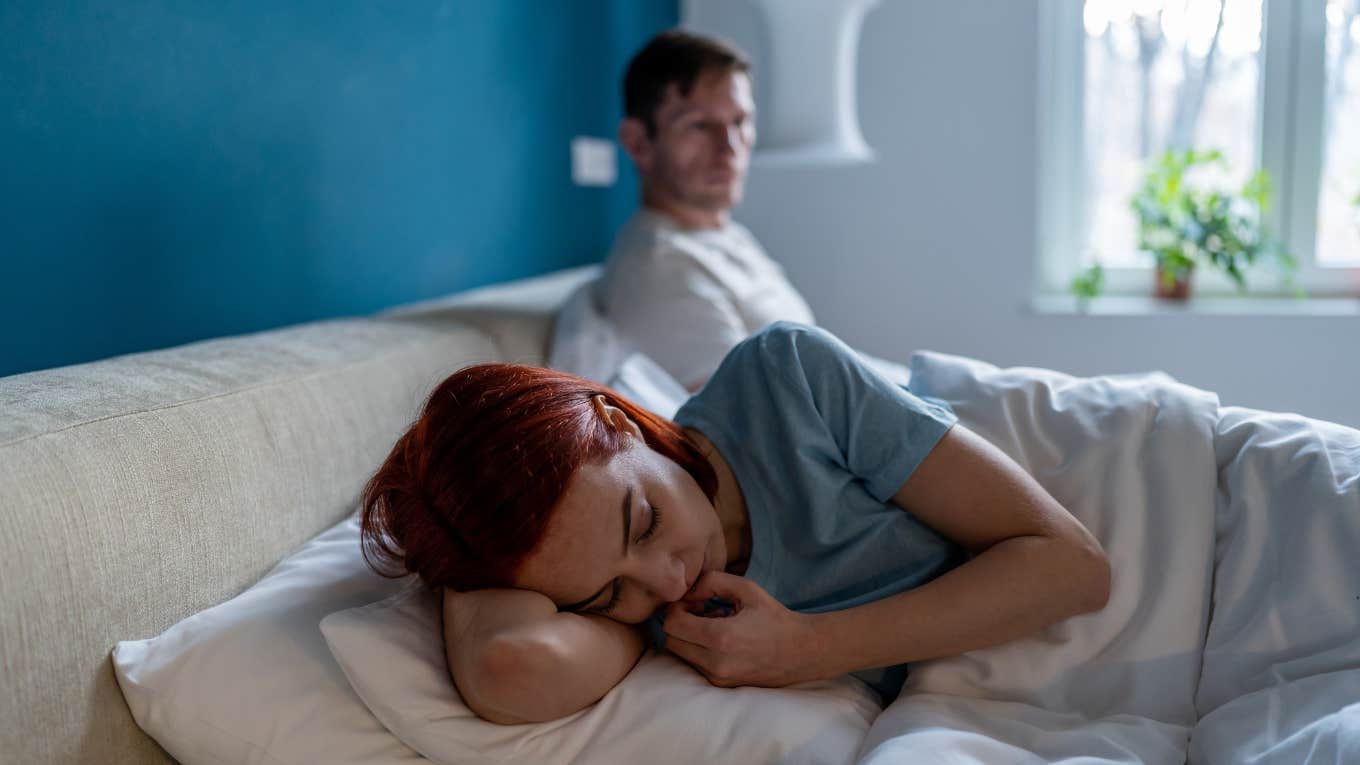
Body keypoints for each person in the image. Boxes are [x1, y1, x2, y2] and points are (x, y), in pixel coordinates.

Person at [360, 321, 1111, 725]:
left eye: (645, 521)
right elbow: (511, 665)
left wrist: (812, 647)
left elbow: (1073, 564)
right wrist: (463, 552)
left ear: (622, 418)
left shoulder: (787, 379)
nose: (668, 578)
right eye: (604, 595)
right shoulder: (652, 611)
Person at [591, 30, 816, 391]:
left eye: (740, 122)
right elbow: (754, 424)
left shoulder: (728, 239)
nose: (730, 148)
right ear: (638, 143)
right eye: (700, 126)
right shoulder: (660, 265)